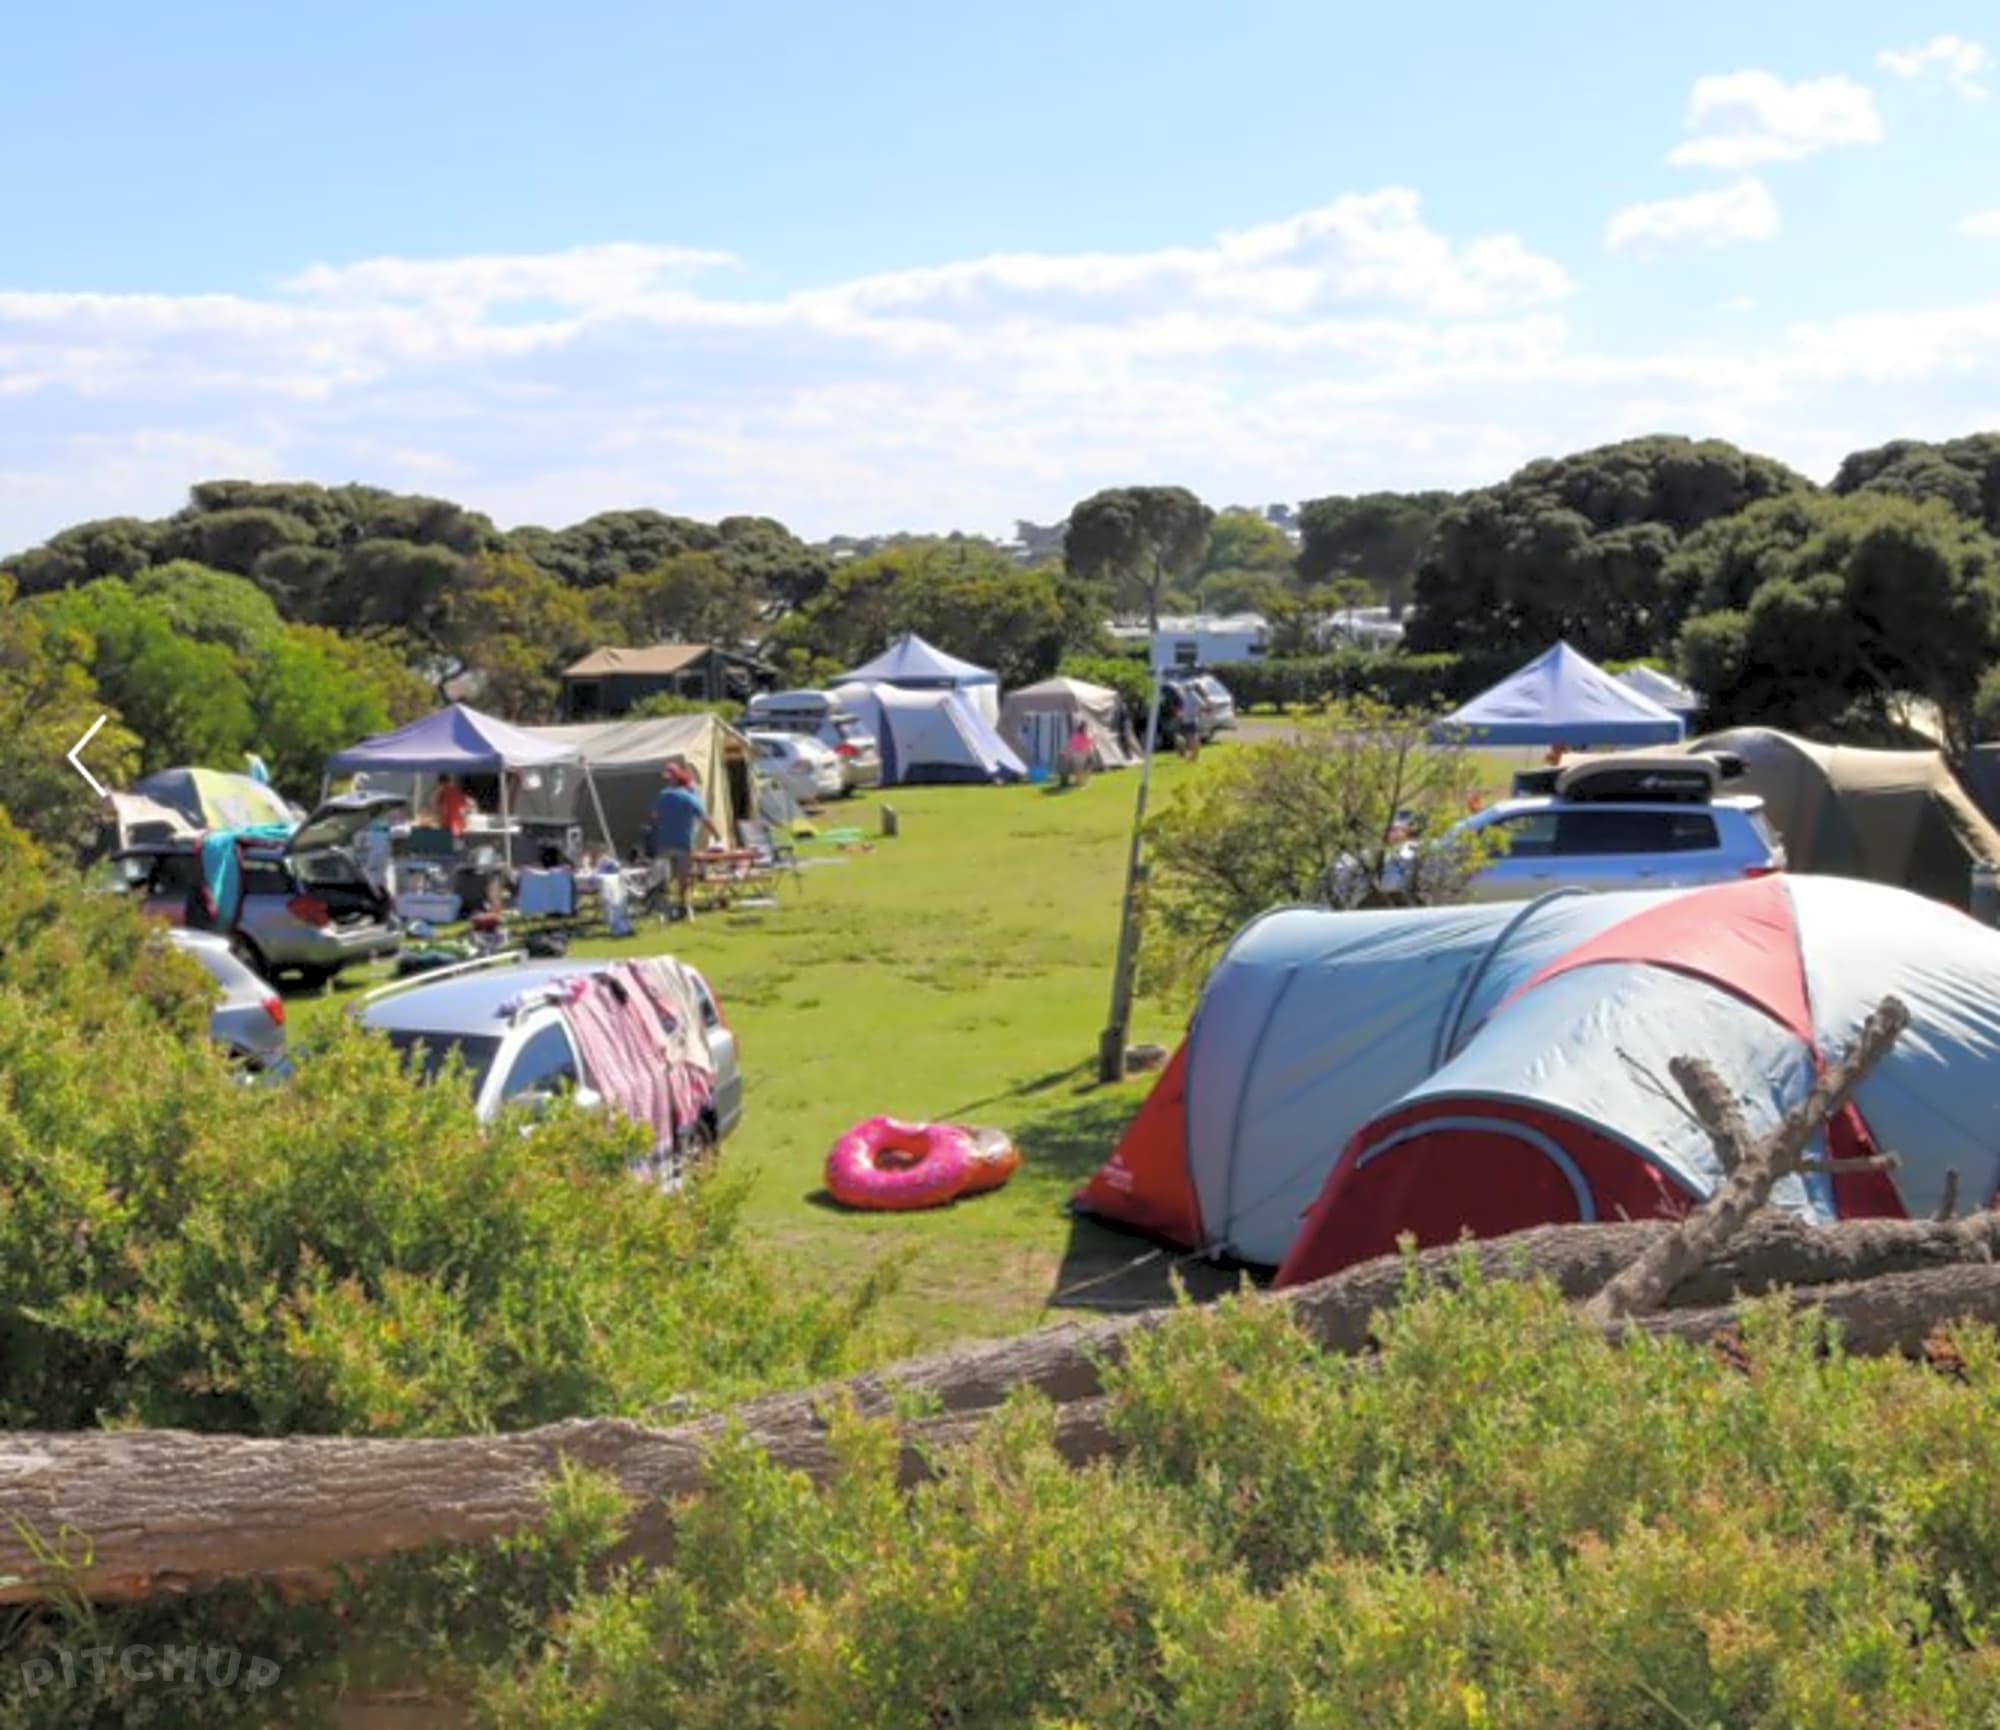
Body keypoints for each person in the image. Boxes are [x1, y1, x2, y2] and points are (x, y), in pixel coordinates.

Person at [647, 760, 719, 919]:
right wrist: (716, 835)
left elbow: (654, 817)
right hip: (683, 843)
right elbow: (705, 818)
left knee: (662, 874)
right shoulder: (690, 798)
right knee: (682, 876)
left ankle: (659, 904)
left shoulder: (663, 795)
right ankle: (683, 904)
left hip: (665, 841)